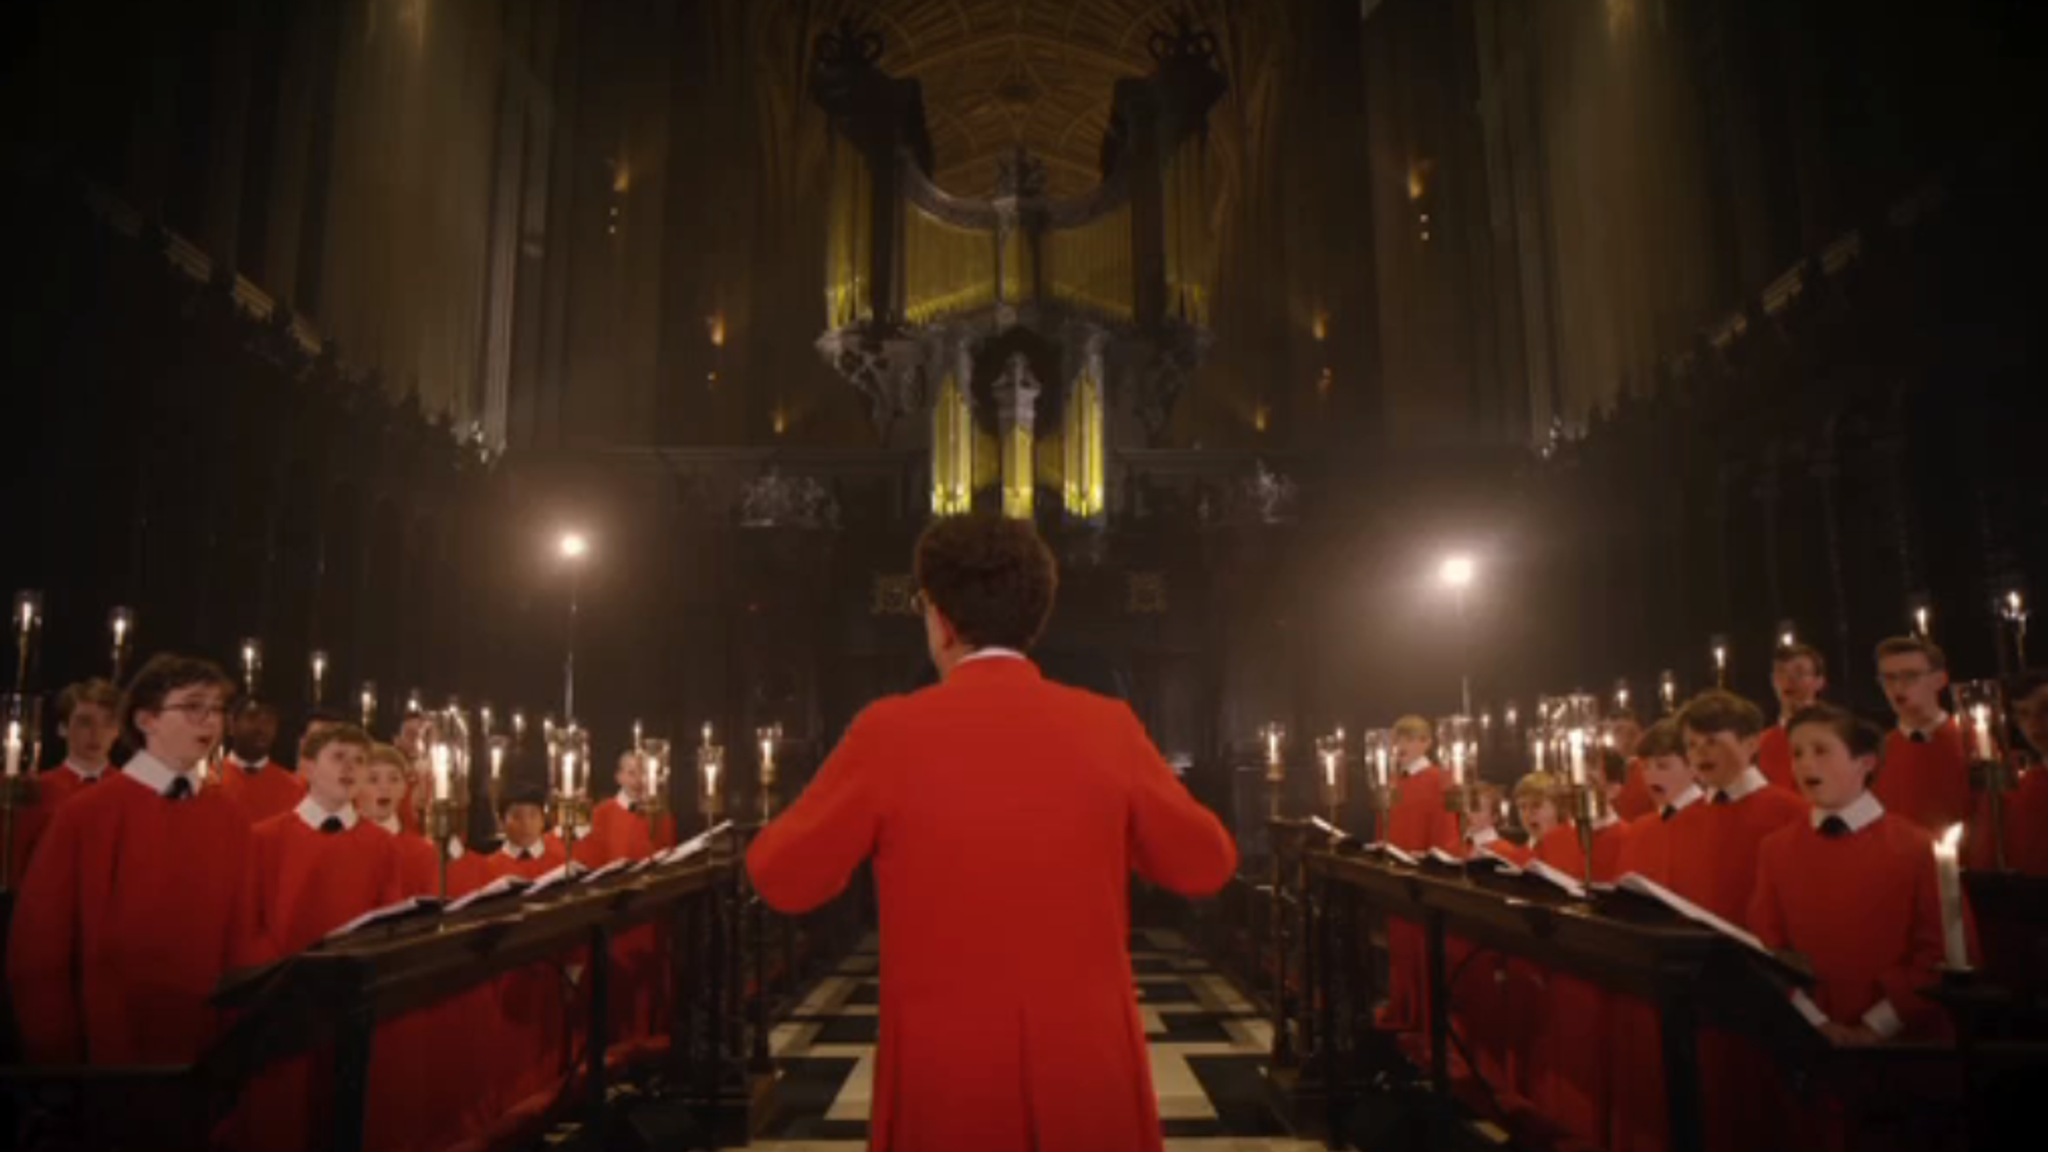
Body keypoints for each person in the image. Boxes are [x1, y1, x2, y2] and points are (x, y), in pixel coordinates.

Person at [747, 514, 1237, 1152]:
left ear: (941, 619)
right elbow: (1207, 864)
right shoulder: (1107, 725)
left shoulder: (889, 731)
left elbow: (781, 877)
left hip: (946, 1070)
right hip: (1084, 1065)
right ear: (1033, 618)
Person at [7, 654, 254, 1064]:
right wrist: (57, 1056)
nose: (211, 722)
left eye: (217, 710)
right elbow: (39, 947)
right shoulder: (86, 813)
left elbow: (242, 936)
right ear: (146, 720)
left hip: (204, 1044)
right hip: (106, 1050)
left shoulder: (230, 816)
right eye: (194, 706)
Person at [1750, 704, 1958, 1148]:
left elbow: (1942, 952)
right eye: (1798, 753)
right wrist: (1815, 1023)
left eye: (1821, 750)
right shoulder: (1776, 849)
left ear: (1866, 763)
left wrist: (1874, 1027)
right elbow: (1768, 948)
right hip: (1810, 1047)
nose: (1805, 764)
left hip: (1899, 1058)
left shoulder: (1917, 846)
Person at [235, 722, 402, 1152]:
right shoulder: (264, 837)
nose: (350, 768)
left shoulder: (383, 845)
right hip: (283, 1000)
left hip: (354, 1001)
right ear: (307, 767)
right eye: (338, 757)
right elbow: (249, 922)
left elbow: (390, 923)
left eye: (359, 760)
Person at [1378, 713, 1463, 1033]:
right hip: (1397, 872)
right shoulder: (1394, 781)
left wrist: (1433, 862)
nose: (1400, 745)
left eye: (1409, 738)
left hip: (1422, 876)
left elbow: (1446, 830)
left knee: (1423, 951)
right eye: (1397, 739)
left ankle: (1425, 1022)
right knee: (1400, 950)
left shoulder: (1440, 778)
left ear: (1426, 742)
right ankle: (1404, 1010)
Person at [9, 678, 121, 883]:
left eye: (107, 723)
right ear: (62, 728)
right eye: (85, 722)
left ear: (117, 731)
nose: (97, 733)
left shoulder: (132, 790)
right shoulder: (36, 789)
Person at [1872, 636, 1972, 835]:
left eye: (1910, 676)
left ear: (1940, 680)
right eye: (1889, 678)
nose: (1898, 687)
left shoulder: (1972, 741)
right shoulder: (1877, 752)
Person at [217, 697, 306, 825]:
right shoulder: (207, 782)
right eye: (252, 718)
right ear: (231, 725)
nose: (261, 728)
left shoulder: (296, 788)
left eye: (269, 720)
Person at [1758, 644, 1828, 793]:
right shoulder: (1759, 744)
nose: (1789, 680)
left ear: (1819, 682)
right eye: (1781, 672)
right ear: (1773, 681)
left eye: (1799, 672)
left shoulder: (1837, 736)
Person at [1606, 710, 1656, 820]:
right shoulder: (1607, 773)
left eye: (1631, 733)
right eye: (1616, 732)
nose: (1625, 739)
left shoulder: (1653, 769)